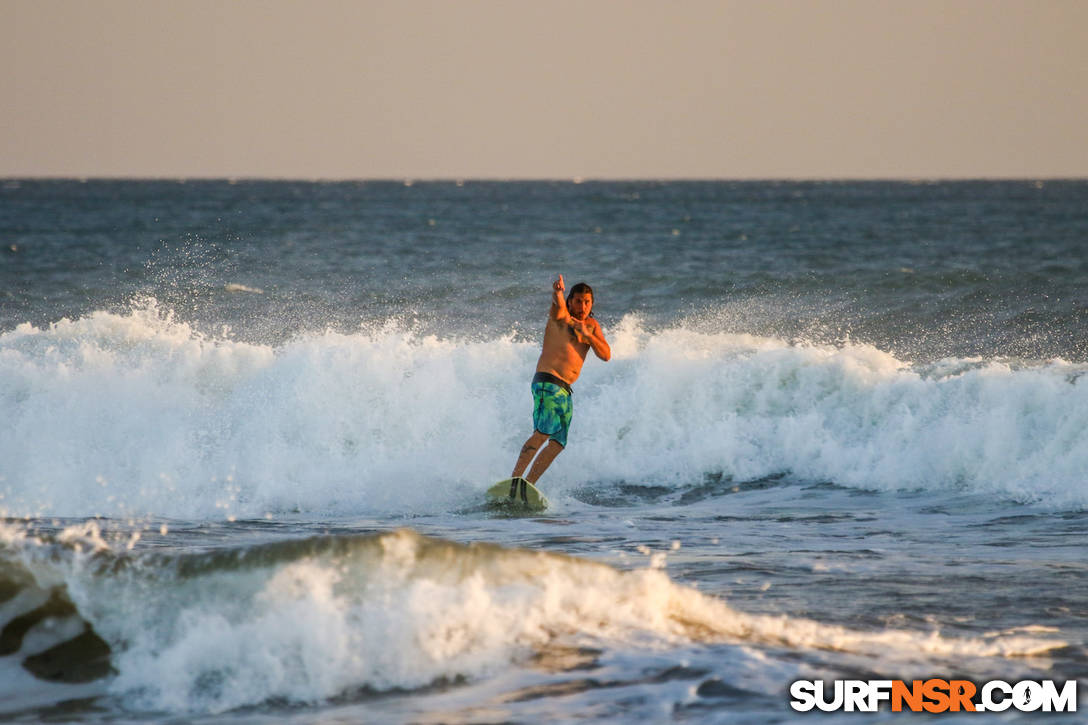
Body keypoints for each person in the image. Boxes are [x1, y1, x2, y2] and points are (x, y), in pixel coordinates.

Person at [510, 274, 611, 487]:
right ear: (570, 301)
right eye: (577, 301)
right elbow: (557, 303)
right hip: (548, 383)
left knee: (557, 443)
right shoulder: (562, 317)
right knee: (543, 433)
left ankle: (528, 486)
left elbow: (606, 355)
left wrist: (589, 336)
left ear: (592, 304)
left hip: (565, 391)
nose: (582, 306)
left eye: (587, 302)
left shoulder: (592, 326)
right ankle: (514, 481)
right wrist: (558, 292)